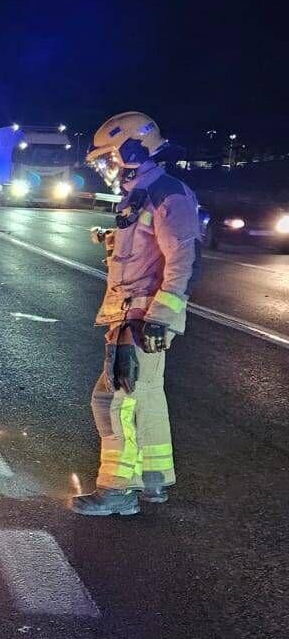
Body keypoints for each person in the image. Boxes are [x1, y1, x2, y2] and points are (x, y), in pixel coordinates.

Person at [71, 111, 201, 516]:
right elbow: (144, 249)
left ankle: (116, 490)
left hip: (141, 318)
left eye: (110, 158)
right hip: (134, 315)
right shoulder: (142, 192)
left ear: (132, 149)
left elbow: (184, 258)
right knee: (144, 397)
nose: (107, 167)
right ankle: (153, 480)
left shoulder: (168, 193)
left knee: (112, 401)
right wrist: (112, 240)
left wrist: (158, 318)